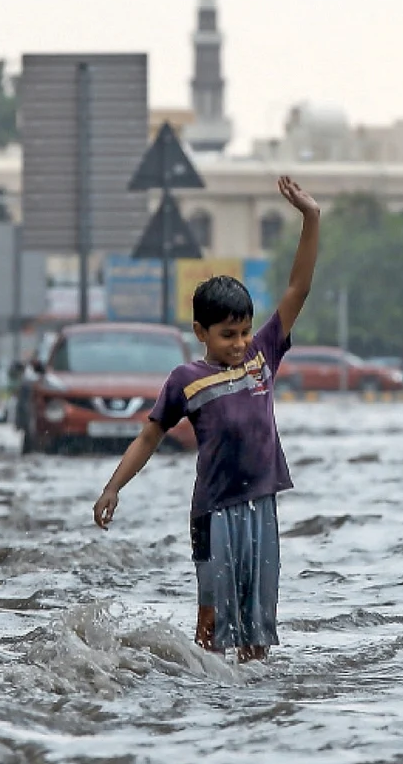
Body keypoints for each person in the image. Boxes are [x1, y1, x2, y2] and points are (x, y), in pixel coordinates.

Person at [92, 176, 320, 663]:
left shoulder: (263, 356)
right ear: (200, 331)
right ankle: (206, 693)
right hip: (213, 513)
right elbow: (149, 437)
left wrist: (311, 218)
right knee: (213, 624)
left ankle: (249, 701)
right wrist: (114, 487)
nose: (238, 344)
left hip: (262, 507)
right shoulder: (185, 380)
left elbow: (299, 286)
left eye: (242, 332)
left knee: (258, 628)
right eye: (226, 335)